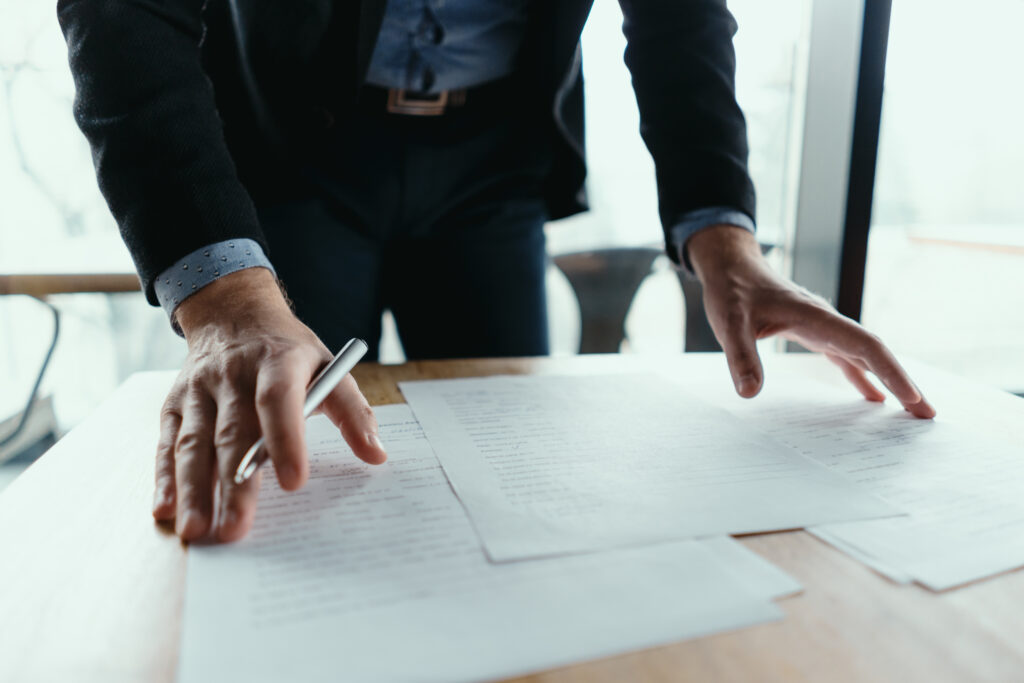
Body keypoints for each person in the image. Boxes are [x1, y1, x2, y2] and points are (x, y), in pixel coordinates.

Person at [58, 0, 934, 544]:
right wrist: (221, 294)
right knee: (291, 468)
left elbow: (679, 14)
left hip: (497, 162)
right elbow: (124, 9)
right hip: (294, 149)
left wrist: (722, 232)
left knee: (521, 481)